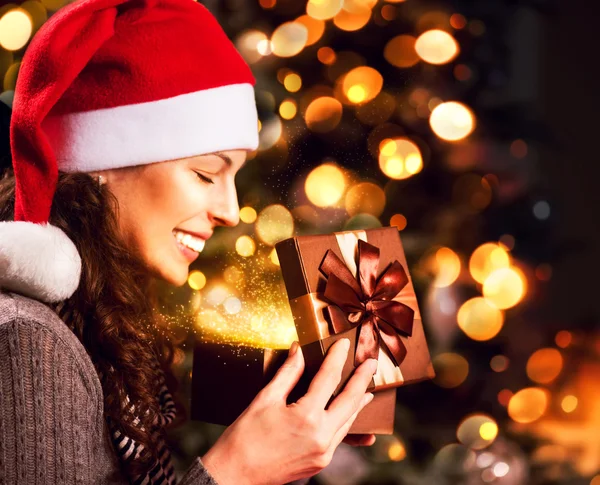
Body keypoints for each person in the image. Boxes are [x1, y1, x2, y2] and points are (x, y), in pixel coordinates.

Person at [0, 0, 379, 484]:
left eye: (235, 178)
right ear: (100, 159)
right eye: (205, 174)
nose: (229, 210)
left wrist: (286, 443)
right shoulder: (29, 341)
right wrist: (236, 471)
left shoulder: (102, 331)